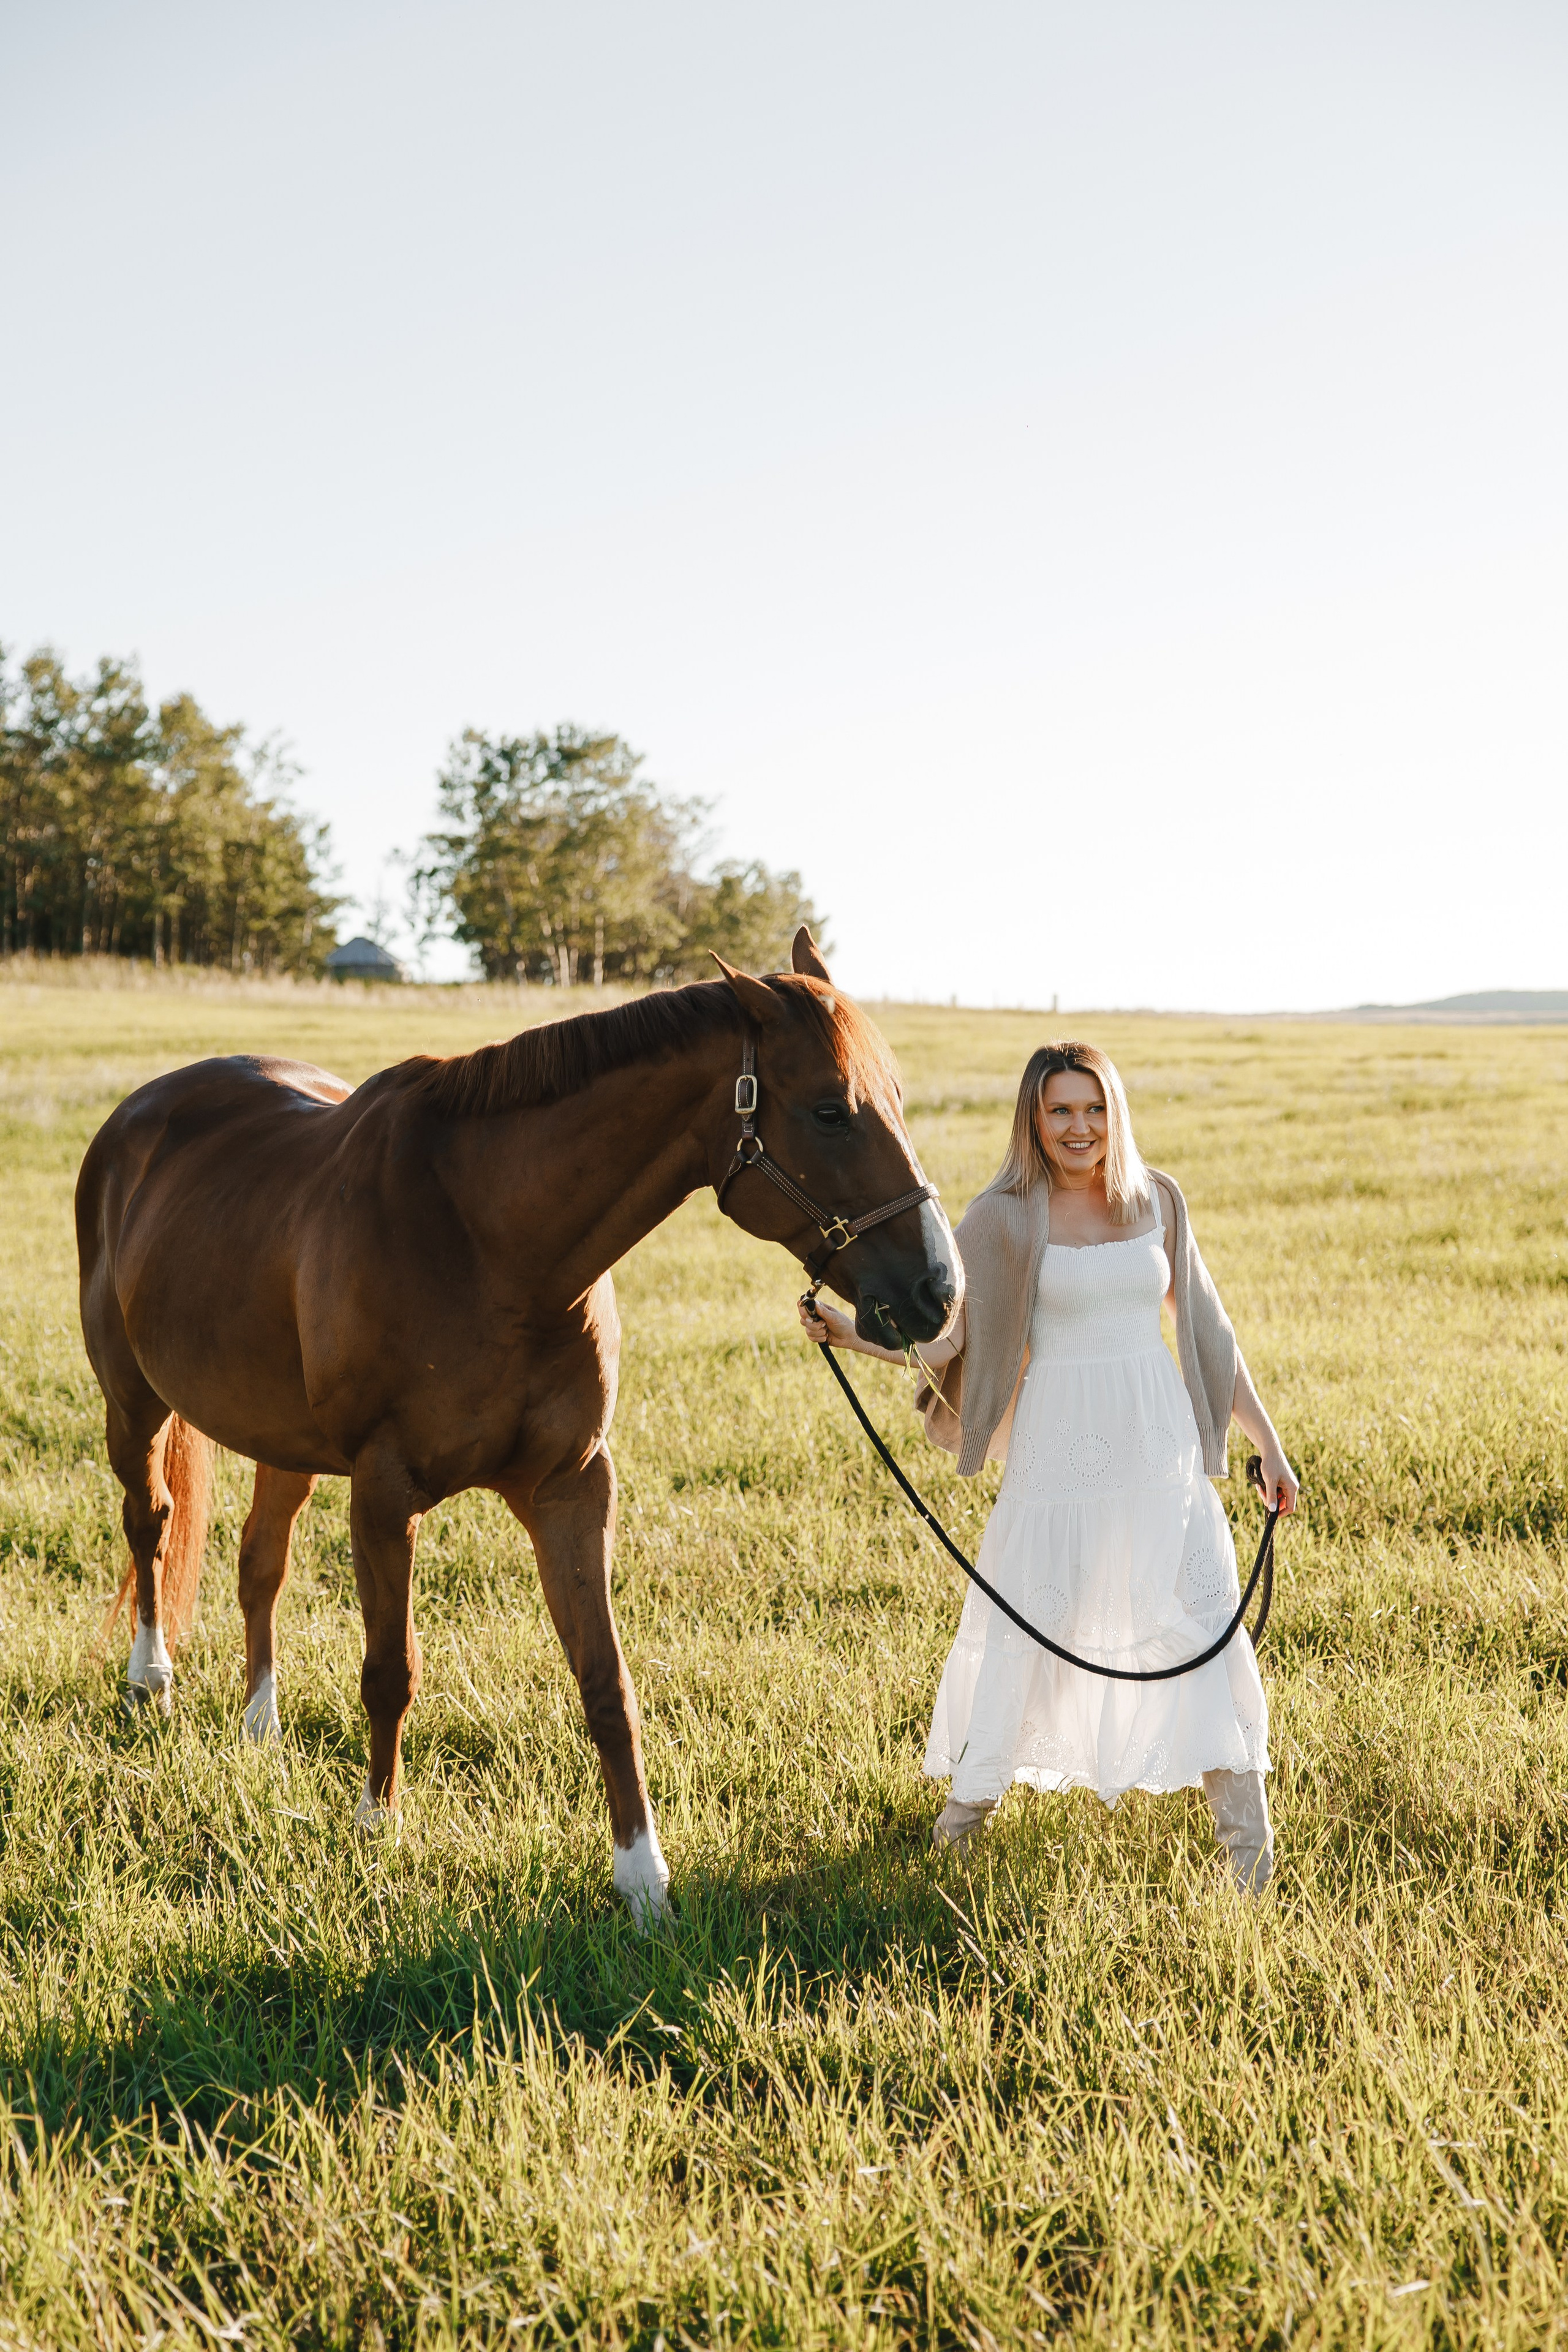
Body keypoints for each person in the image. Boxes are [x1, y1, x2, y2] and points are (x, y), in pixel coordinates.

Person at [799, 1041, 1298, 1893]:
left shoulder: (1157, 1200)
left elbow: (1209, 1332)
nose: (1081, 1127)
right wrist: (853, 1333)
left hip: (1160, 1453)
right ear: (1034, 1117)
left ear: (1116, 1113)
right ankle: (958, 1834)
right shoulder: (1003, 1215)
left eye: (1095, 1108)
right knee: (1023, 1641)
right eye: (1062, 1110)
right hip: (1060, 1457)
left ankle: (1249, 1859)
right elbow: (951, 1338)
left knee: (1205, 1634)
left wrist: (1268, 1444)